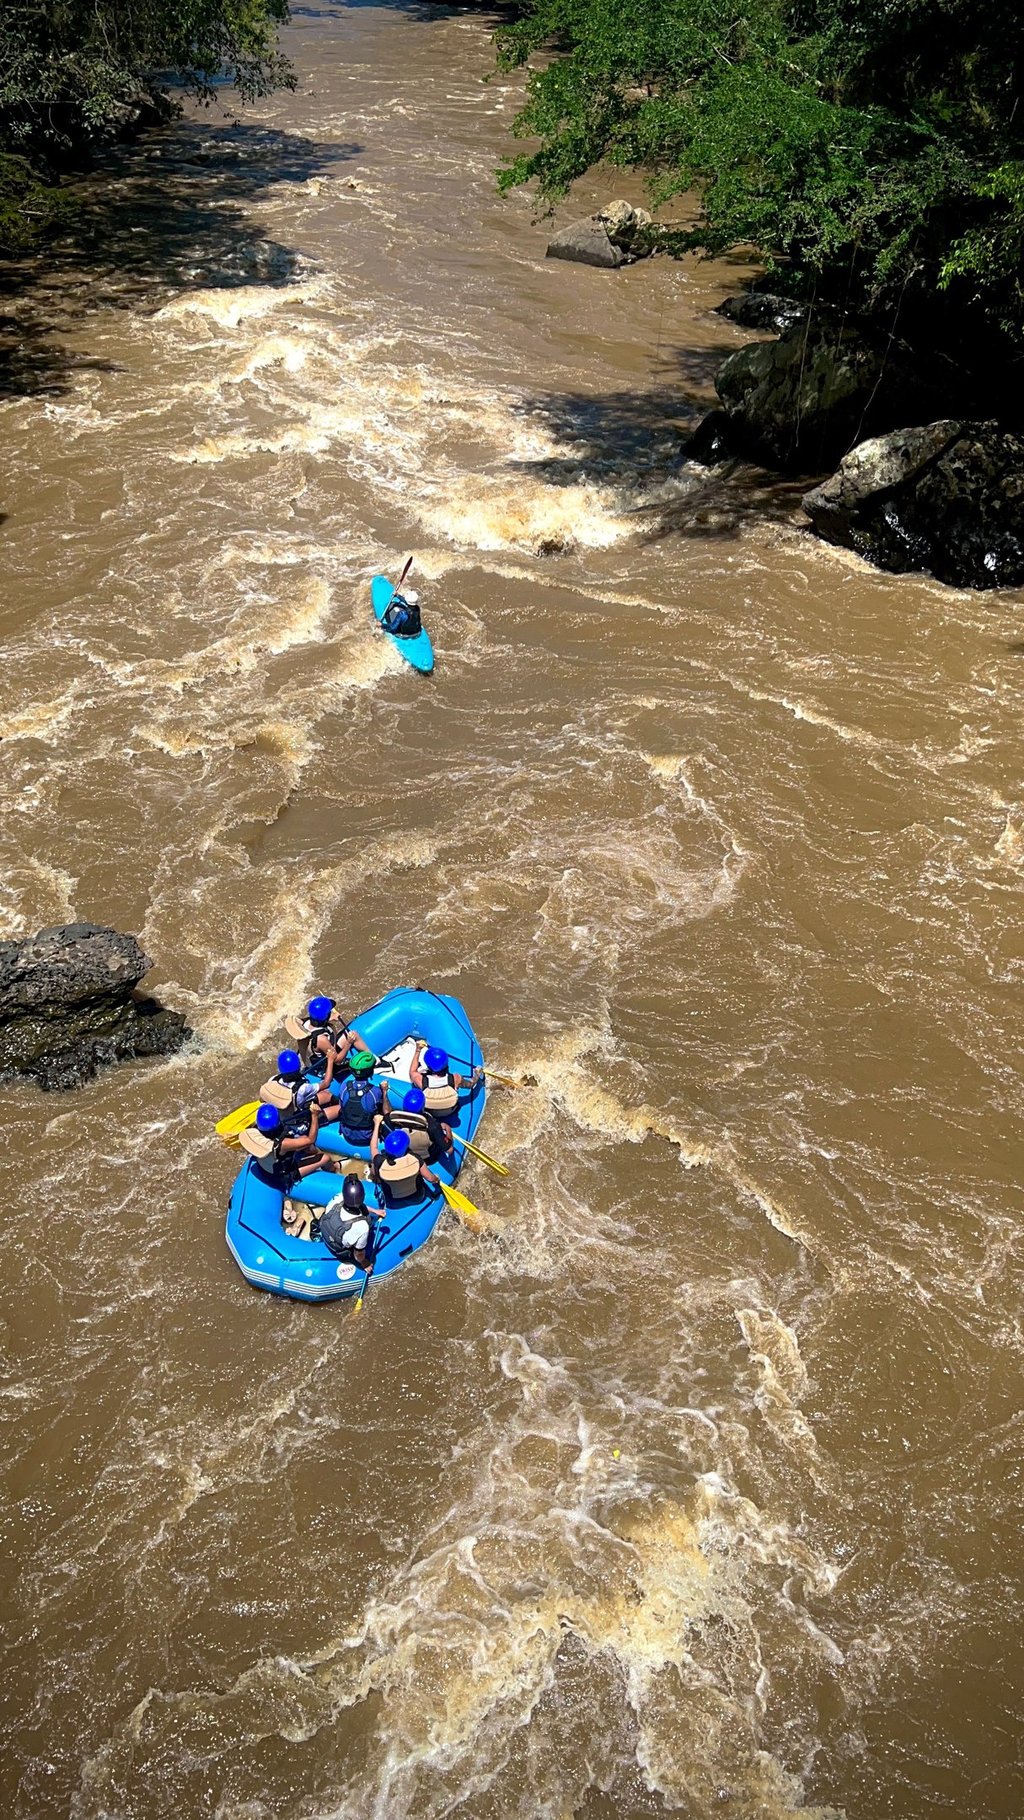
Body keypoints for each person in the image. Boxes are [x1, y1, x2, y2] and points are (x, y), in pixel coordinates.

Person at [371, 1085, 454, 1173]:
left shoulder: (392, 1121)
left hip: (404, 1158)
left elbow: (386, 1112)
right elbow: (449, 1150)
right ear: (423, 1106)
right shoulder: (433, 1125)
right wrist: (448, 1130)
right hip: (428, 1159)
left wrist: (384, 1092)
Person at [252, 1102, 326, 1190]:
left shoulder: (255, 1132)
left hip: (265, 1168)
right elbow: (310, 1140)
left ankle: (311, 1153)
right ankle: (336, 1168)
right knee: (325, 1158)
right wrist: (314, 1115)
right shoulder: (283, 1143)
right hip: (281, 1177)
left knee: (304, 1141)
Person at [312, 1175, 378, 1267]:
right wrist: (364, 1263)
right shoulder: (362, 1227)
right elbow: (358, 1254)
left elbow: (356, 1204)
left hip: (328, 1233)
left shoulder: (338, 1198)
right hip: (340, 1250)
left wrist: (375, 1211)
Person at [409, 1042, 482, 1115]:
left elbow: (412, 1071)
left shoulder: (420, 1080)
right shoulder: (456, 1078)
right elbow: (471, 1084)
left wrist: (418, 1050)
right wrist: (477, 1075)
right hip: (451, 1111)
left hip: (431, 1113)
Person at [335, 1048, 388, 1147]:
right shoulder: (375, 1092)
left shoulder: (344, 1086)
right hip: (367, 1138)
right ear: (370, 1072)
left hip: (347, 1135)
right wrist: (384, 1092)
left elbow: (341, 1107)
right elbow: (387, 1112)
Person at [272, 1047, 339, 1121]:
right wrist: (330, 1060)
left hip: (279, 1113)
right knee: (335, 1103)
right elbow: (326, 1083)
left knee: (326, 1096)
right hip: (294, 1119)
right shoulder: (303, 1088)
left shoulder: (273, 1080)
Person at [371, 1126, 435, 1200]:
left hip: (392, 1200)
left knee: (373, 1169)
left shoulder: (379, 1161)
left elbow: (373, 1147)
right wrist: (436, 1179)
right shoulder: (415, 1159)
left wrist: (376, 1125)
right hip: (417, 1195)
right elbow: (430, 1178)